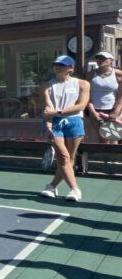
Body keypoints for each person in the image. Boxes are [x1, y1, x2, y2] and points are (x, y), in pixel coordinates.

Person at [40, 55, 90, 201]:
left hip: (75, 122)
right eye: (56, 64)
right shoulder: (46, 86)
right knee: (63, 156)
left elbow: (81, 106)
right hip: (55, 123)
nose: (58, 67)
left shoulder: (83, 84)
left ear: (71, 68)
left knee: (71, 157)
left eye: (62, 65)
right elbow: (48, 107)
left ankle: (51, 186)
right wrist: (49, 124)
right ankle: (75, 189)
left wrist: (57, 112)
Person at [85, 51, 122, 145]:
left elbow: (120, 96)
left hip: (113, 110)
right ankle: (101, 157)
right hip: (96, 110)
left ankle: (113, 159)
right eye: (98, 58)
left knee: (113, 137)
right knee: (101, 138)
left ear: (111, 61)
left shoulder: (118, 74)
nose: (100, 60)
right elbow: (87, 96)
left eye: (103, 58)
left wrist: (116, 111)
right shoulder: (90, 74)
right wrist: (93, 112)